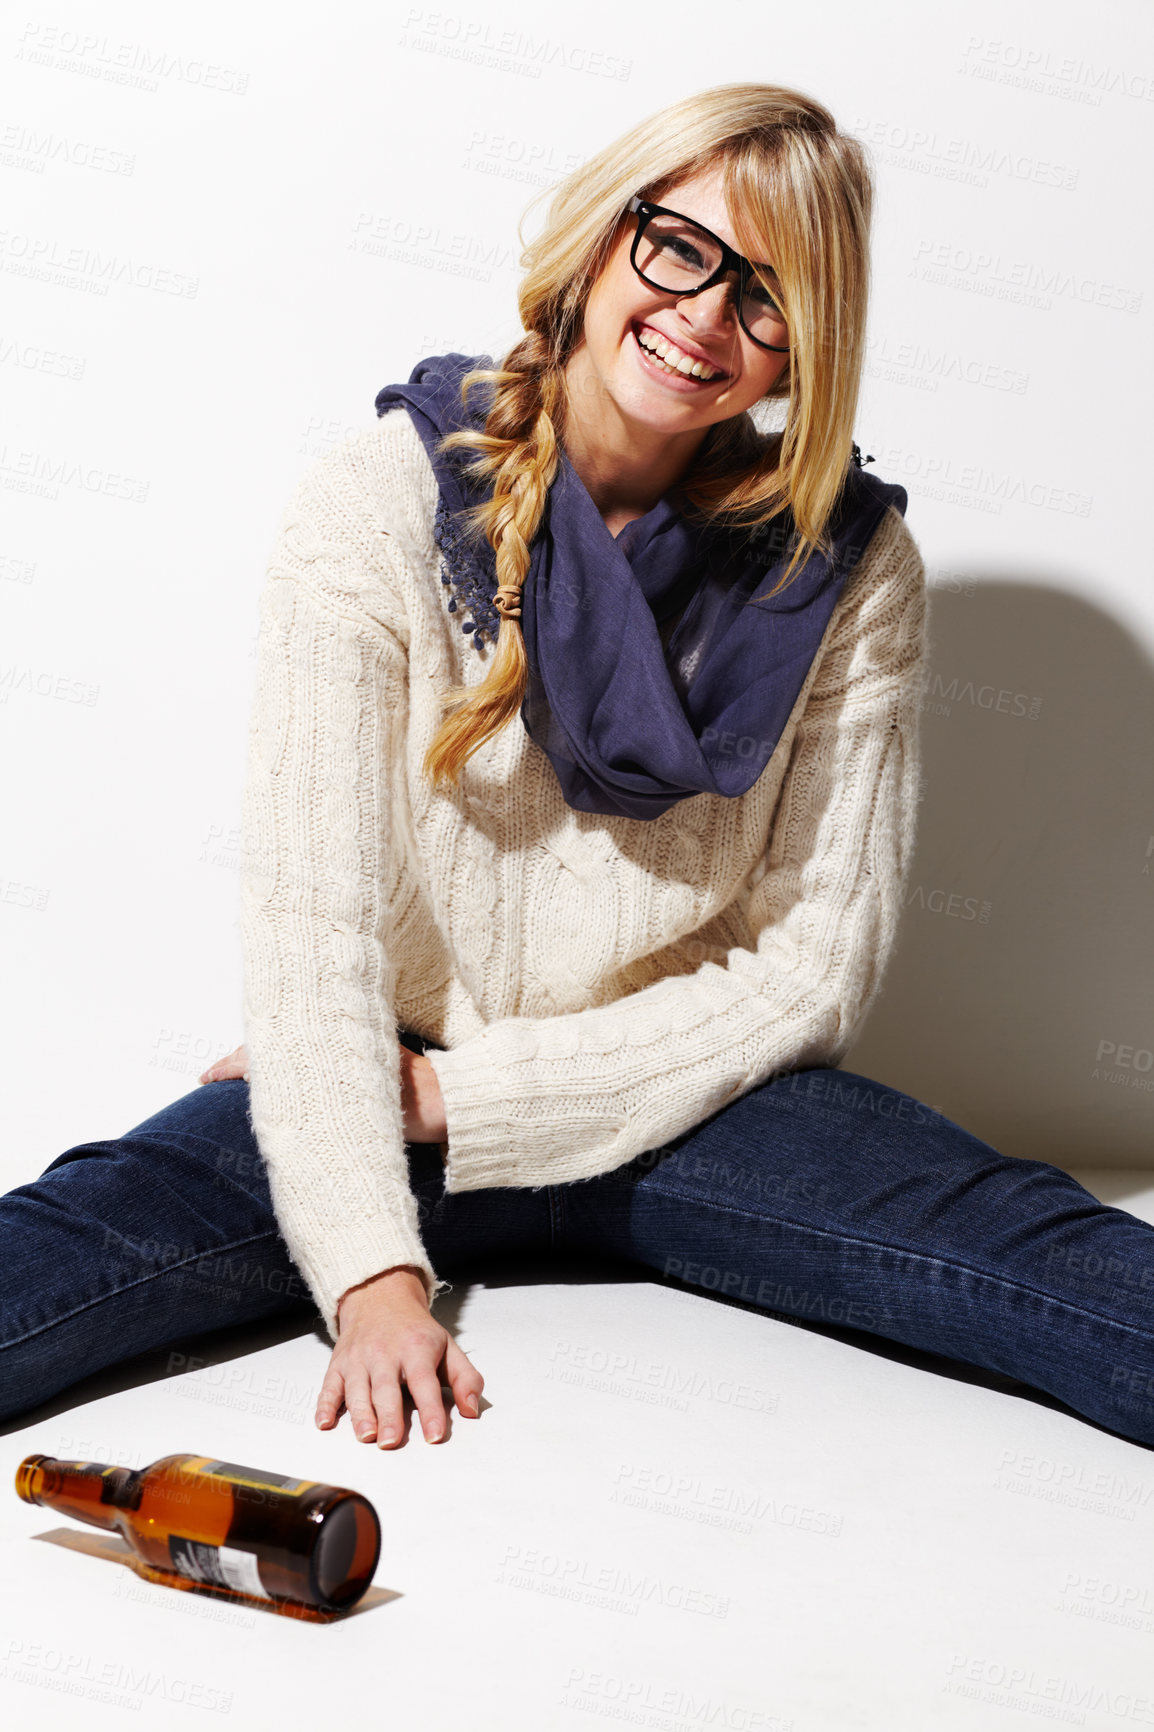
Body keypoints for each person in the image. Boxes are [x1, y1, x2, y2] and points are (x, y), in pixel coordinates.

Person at [4, 82, 1154, 1456]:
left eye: (770, 297)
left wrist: (470, 1100)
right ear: (608, 238)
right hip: (394, 1087)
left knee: (1042, 1263)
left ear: (807, 344)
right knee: (70, 1250)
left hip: (691, 1099)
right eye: (681, 250)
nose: (705, 318)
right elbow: (311, 940)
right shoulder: (374, 506)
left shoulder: (845, 571)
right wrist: (374, 1277)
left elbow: (810, 975)